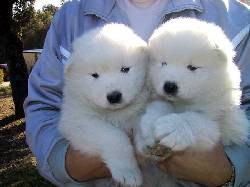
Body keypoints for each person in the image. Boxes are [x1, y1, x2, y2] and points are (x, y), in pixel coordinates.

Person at [24, 0, 250, 186]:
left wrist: (231, 170)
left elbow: (238, 116)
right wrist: (66, 163)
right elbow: (43, 105)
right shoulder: (70, 17)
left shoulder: (237, 20)